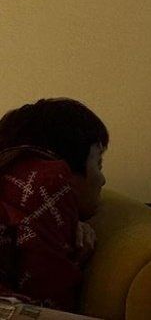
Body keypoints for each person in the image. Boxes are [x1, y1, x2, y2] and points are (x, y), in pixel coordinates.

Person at [0, 98, 108, 312]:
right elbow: (48, 307)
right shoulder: (46, 182)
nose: (103, 180)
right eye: (98, 164)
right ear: (64, 168)